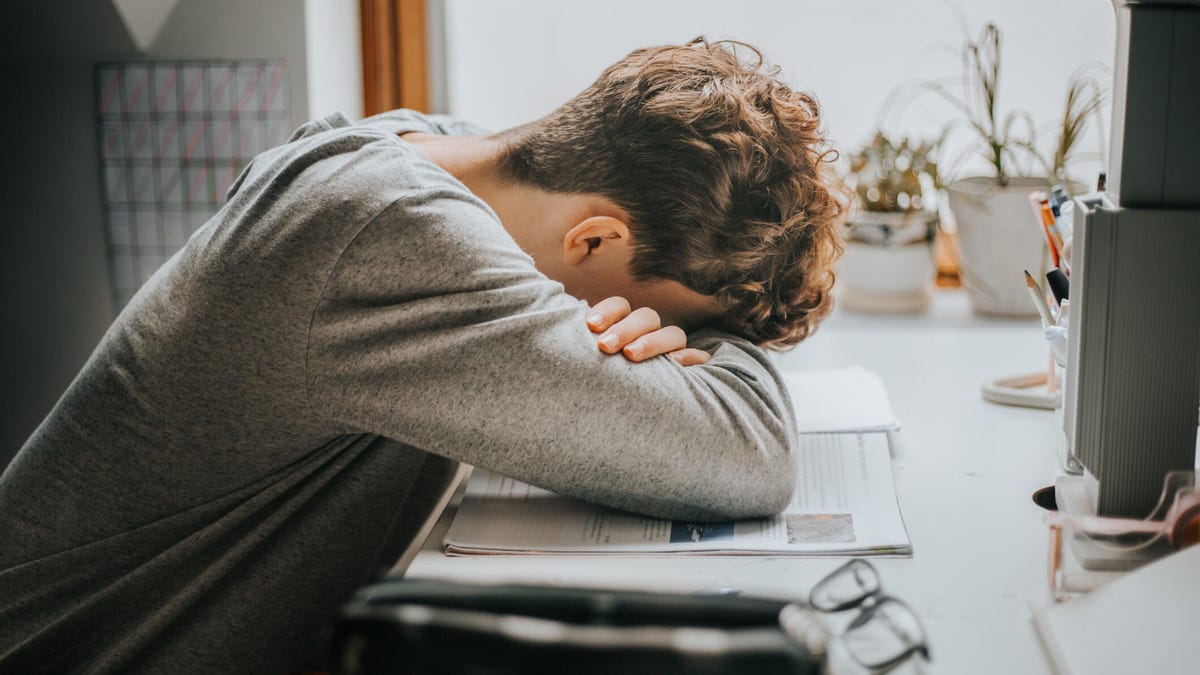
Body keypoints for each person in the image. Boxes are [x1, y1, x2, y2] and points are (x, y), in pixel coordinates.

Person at [0, 38, 845, 673]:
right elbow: (753, 453)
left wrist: (683, 327)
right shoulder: (392, 235)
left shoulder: (443, 153)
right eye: (671, 320)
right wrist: (704, 356)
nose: (657, 341)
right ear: (594, 239)